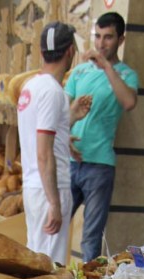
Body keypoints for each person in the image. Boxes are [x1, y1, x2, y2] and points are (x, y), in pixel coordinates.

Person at [66, 11, 138, 262]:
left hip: (100, 165)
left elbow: (129, 102)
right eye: (97, 36)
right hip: (70, 161)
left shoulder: (126, 75)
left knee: (91, 237)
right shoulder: (79, 72)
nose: (101, 43)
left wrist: (106, 66)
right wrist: (65, 135)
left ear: (121, 40)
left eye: (108, 37)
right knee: (55, 226)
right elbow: (61, 113)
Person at [17, 22, 91, 265]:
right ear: (70, 51)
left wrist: (70, 117)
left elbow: (39, 135)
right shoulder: (52, 91)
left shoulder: (31, 87)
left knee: (36, 259)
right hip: (49, 188)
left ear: (41, 53)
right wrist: (55, 203)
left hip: (34, 186)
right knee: (50, 266)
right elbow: (44, 153)